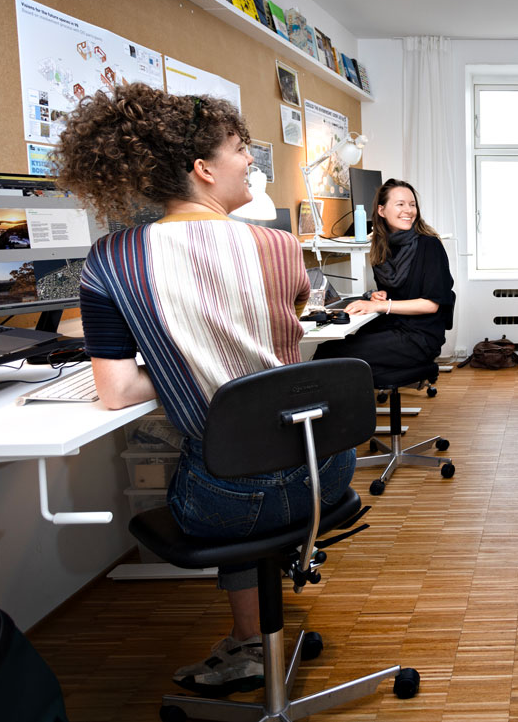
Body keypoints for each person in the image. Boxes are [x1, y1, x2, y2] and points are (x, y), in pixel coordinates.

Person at [54, 83, 356, 694]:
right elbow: (284, 329)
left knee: (221, 459)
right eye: (241, 149)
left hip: (228, 500)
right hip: (325, 468)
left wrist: (183, 367)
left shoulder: (111, 259)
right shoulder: (280, 245)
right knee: (246, 450)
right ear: (203, 168)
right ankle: (254, 637)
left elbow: (116, 391)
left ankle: (248, 642)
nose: (251, 161)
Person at [313, 178, 455, 378]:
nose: (408, 210)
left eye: (412, 204)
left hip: (419, 336)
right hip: (392, 326)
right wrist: (379, 296)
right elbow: (397, 292)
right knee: (327, 350)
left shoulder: (429, 245)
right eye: (400, 204)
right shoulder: (381, 246)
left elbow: (431, 304)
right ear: (381, 210)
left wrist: (380, 306)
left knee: (333, 358)